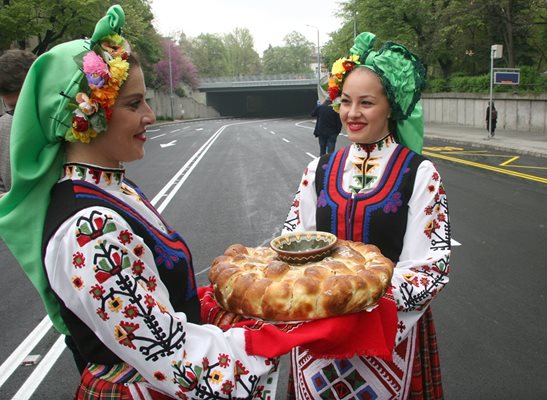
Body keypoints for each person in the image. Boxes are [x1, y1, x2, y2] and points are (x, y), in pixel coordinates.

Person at [0, 6, 279, 398]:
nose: (150, 115)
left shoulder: (114, 189)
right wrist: (261, 344)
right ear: (86, 116)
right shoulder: (90, 227)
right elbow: (171, 357)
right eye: (134, 105)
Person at [283, 32, 451, 399]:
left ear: (391, 106)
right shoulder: (319, 169)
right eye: (345, 101)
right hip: (319, 337)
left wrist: (360, 299)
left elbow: (429, 264)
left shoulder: (419, 173)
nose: (351, 113)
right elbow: (292, 243)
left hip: (389, 338)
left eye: (366, 102)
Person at [0, 49, 36, 196]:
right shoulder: (3, 127)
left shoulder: (68, 127)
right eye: (12, 110)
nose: (19, 118)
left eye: (23, 107)